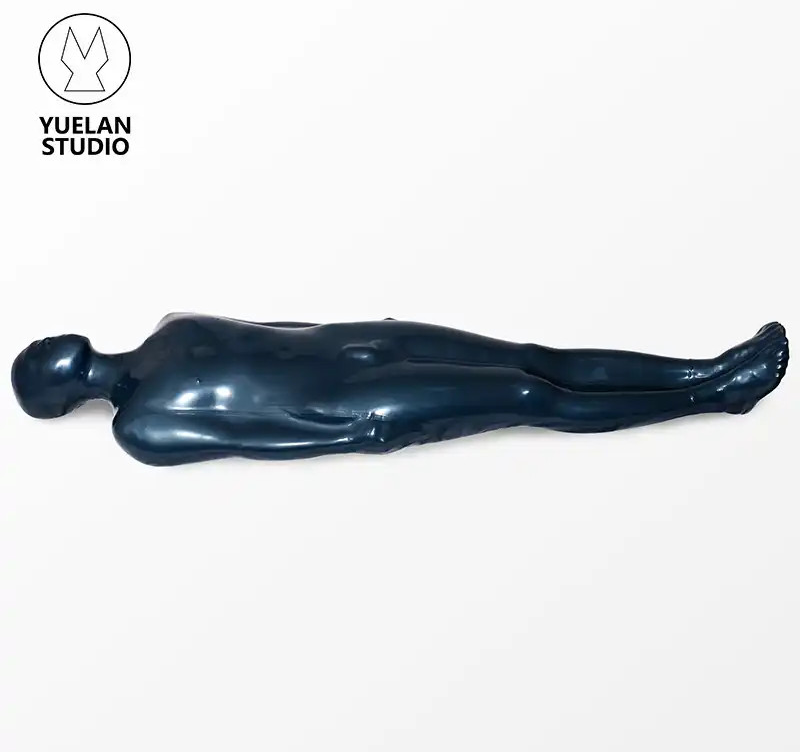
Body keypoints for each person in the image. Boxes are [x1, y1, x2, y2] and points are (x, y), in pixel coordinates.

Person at [11, 314, 788, 466]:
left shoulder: (166, 325)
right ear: (56, 395)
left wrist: (355, 332)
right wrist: (353, 433)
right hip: (353, 406)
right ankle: (718, 398)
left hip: (357, 346)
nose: (42, 345)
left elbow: (273, 328)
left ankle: (705, 368)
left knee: (534, 356)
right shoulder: (141, 427)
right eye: (34, 362)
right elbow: (256, 438)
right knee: (527, 397)